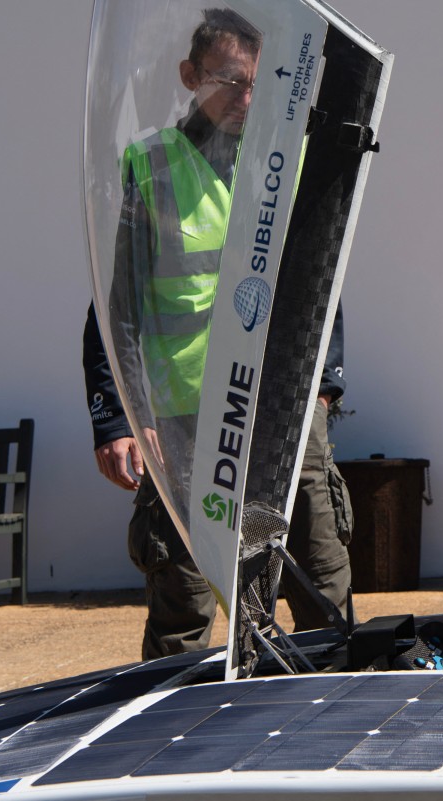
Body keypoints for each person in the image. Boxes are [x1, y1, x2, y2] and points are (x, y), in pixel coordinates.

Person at [82, 8, 352, 660]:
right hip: (185, 423)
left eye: (255, 82)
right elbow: (115, 305)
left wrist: (322, 389)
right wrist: (117, 417)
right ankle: (178, 721)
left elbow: (321, 280)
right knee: (185, 602)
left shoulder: (283, 160)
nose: (244, 98)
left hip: (280, 411)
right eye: (228, 80)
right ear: (189, 75)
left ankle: (332, 704)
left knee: (319, 579)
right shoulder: (152, 165)